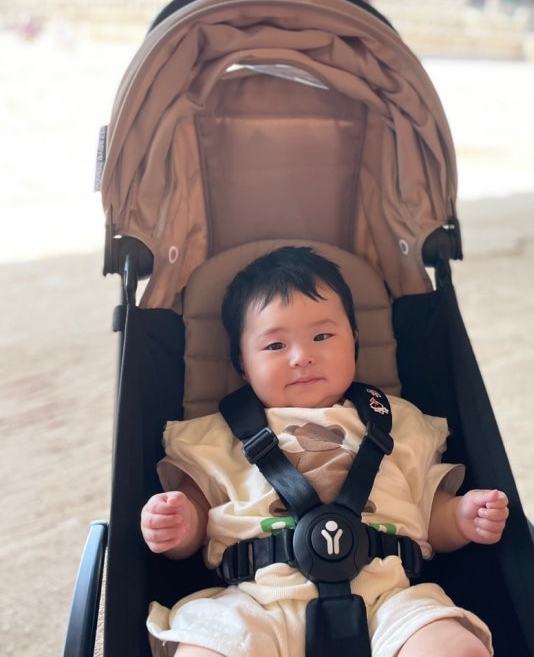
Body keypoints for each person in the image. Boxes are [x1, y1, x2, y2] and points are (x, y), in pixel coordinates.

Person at [142, 246, 509, 657]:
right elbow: (194, 517)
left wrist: (461, 517)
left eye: (322, 337)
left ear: (354, 341)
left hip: (385, 600)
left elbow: (428, 511)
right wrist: (178, 524)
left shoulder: (397, 421)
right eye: (275, 346)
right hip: (257, 604)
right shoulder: (216, 436)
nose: (302, 357)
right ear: (242, 364)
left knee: (451, 645)